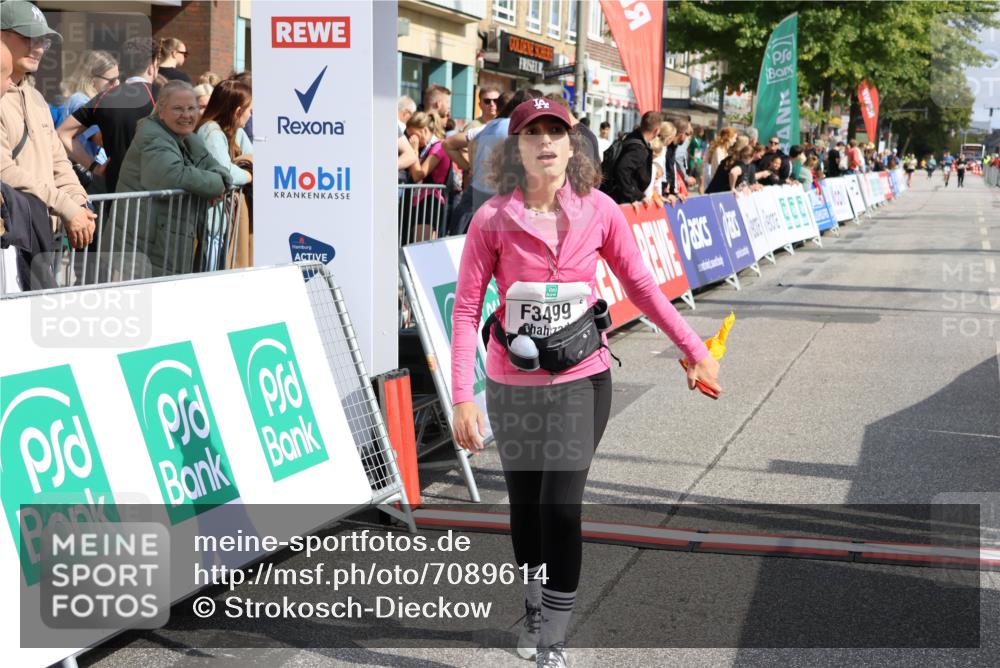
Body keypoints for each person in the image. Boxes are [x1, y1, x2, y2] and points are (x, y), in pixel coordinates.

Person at [449, 98, 720, 668]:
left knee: (560, 508)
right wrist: (462, 396)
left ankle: (552, 639)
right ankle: (533, 605)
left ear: (571, 144)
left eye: (556, 131)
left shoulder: (600, 210)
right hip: (511, 384)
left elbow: (641, 286)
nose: (545, 141)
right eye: (533, 133)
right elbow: (468, 308)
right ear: (515, 148)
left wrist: (694, 349)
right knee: (526, 509)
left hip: (581, 377)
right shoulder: (492, 218)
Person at [1, 1, 95, 251]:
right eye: (28, 37)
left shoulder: (36, 97)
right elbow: (3, 171)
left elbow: (59, 162)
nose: (39, 47)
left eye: (43, 40)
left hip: (41, 234)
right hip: (8, 238)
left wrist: (80, 204)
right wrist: (65, 206)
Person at [114, 81, 232, 276]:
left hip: (164, 240)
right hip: (143, 245)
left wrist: (218, 180)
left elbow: (213, 166)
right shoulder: (153, 137)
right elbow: (172, 175)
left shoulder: (189, 137)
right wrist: (216, 184)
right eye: (178, 108)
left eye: (191, 108)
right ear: (161, 112)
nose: (186, 115)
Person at [58, 36, 159, 194]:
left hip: (116, 190)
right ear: (152, 68)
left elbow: (63, 133)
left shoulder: (103, 98)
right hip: (157, 191)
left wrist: (94, 167)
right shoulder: (163, 96)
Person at [195, 79, 253, 268]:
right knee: (211, 273)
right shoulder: (210, 131)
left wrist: (245, 168)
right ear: (238, 111)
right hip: (212, 222)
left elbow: (252, 159)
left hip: (226, 220)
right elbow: (225, 172)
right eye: (249, 110)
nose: (250, 115)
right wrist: (248, 176)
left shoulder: (236, 131)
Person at [402, 110, 452, 240]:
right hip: (419, 201)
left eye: (414, 135)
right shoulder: (425, 148)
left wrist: (413, 150)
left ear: (424, 130)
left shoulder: (438, 147)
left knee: (422, 245)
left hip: (430, 203)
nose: (412, 140)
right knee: (415, 244)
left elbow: (419, 174)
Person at [600, 110, 662, 205]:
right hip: (620, 199)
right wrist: (633, 196)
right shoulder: (638, 148)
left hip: (611, 194)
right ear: (656, 130)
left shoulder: (629, 137)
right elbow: (622, 170)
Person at [703, 127, 737, 191]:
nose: (735, 141)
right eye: (734, 138)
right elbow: (719, 168)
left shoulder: (724, 150)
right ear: (729, 138)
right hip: (716, 184)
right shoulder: (719, 150)